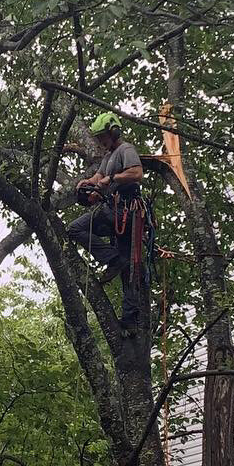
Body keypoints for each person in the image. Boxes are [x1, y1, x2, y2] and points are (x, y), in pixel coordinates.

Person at [66, 111, 152, 333]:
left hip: (126, 210)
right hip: (109, 208)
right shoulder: (108, 156)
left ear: (113, 131)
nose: (101, 141)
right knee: (75, 228)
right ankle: (113, 259)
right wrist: (88, 183)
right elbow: (98, 177)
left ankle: (129, 319)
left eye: (103, 136)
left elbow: (136, 173)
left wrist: (112, 179)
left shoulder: (126, 150)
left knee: (130, 269)